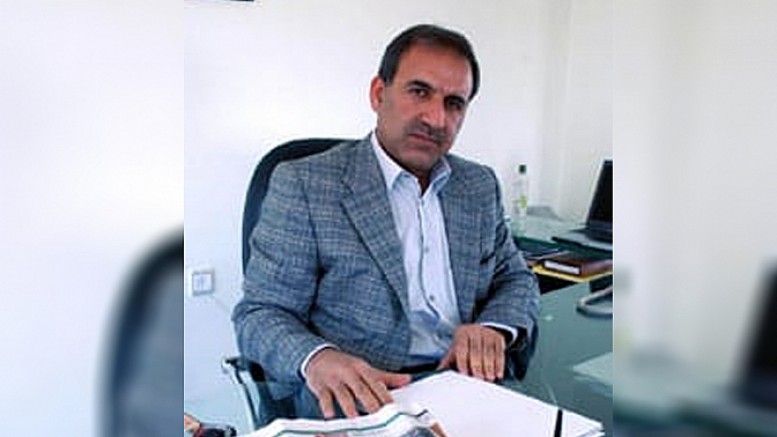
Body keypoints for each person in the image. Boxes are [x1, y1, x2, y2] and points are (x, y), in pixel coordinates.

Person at [232, 23, 540, 421]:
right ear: (379, 93)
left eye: (454, 103)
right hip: (363, 400)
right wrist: (319, 358)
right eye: (419, 92)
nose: (436, 118)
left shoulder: (477, 185)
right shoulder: (306, 184)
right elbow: (260, 313)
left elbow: (515, 278)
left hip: (467, 387)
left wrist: (493, 328)